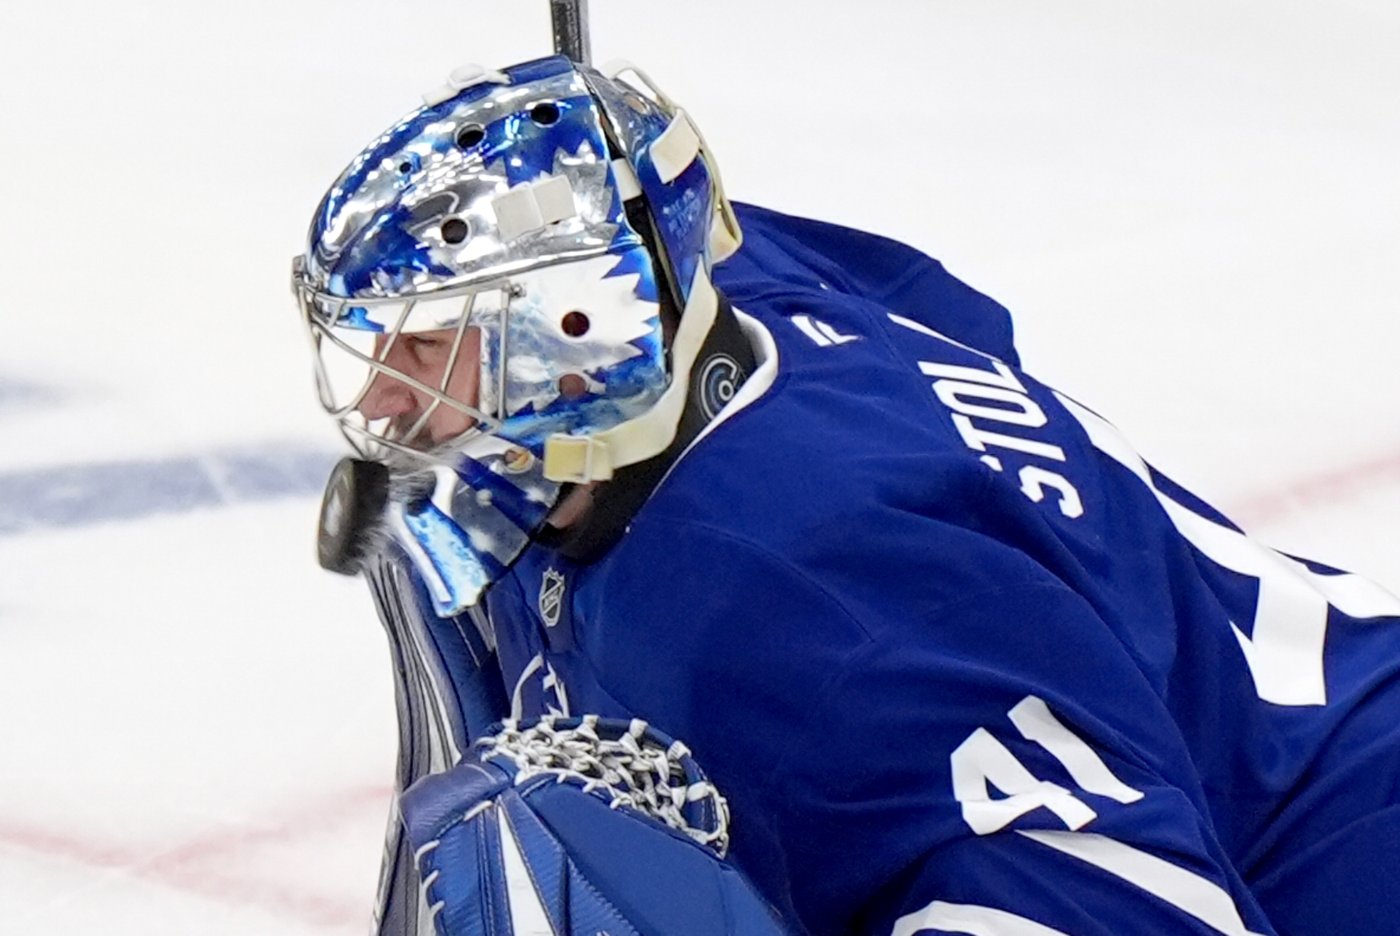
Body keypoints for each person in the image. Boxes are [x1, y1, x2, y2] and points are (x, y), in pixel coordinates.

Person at [291, 54, 1400, 935]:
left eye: (431, 356)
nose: (389, 411)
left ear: (578, 342)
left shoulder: (821, 613)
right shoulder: (748, 297)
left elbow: (1132, 902)